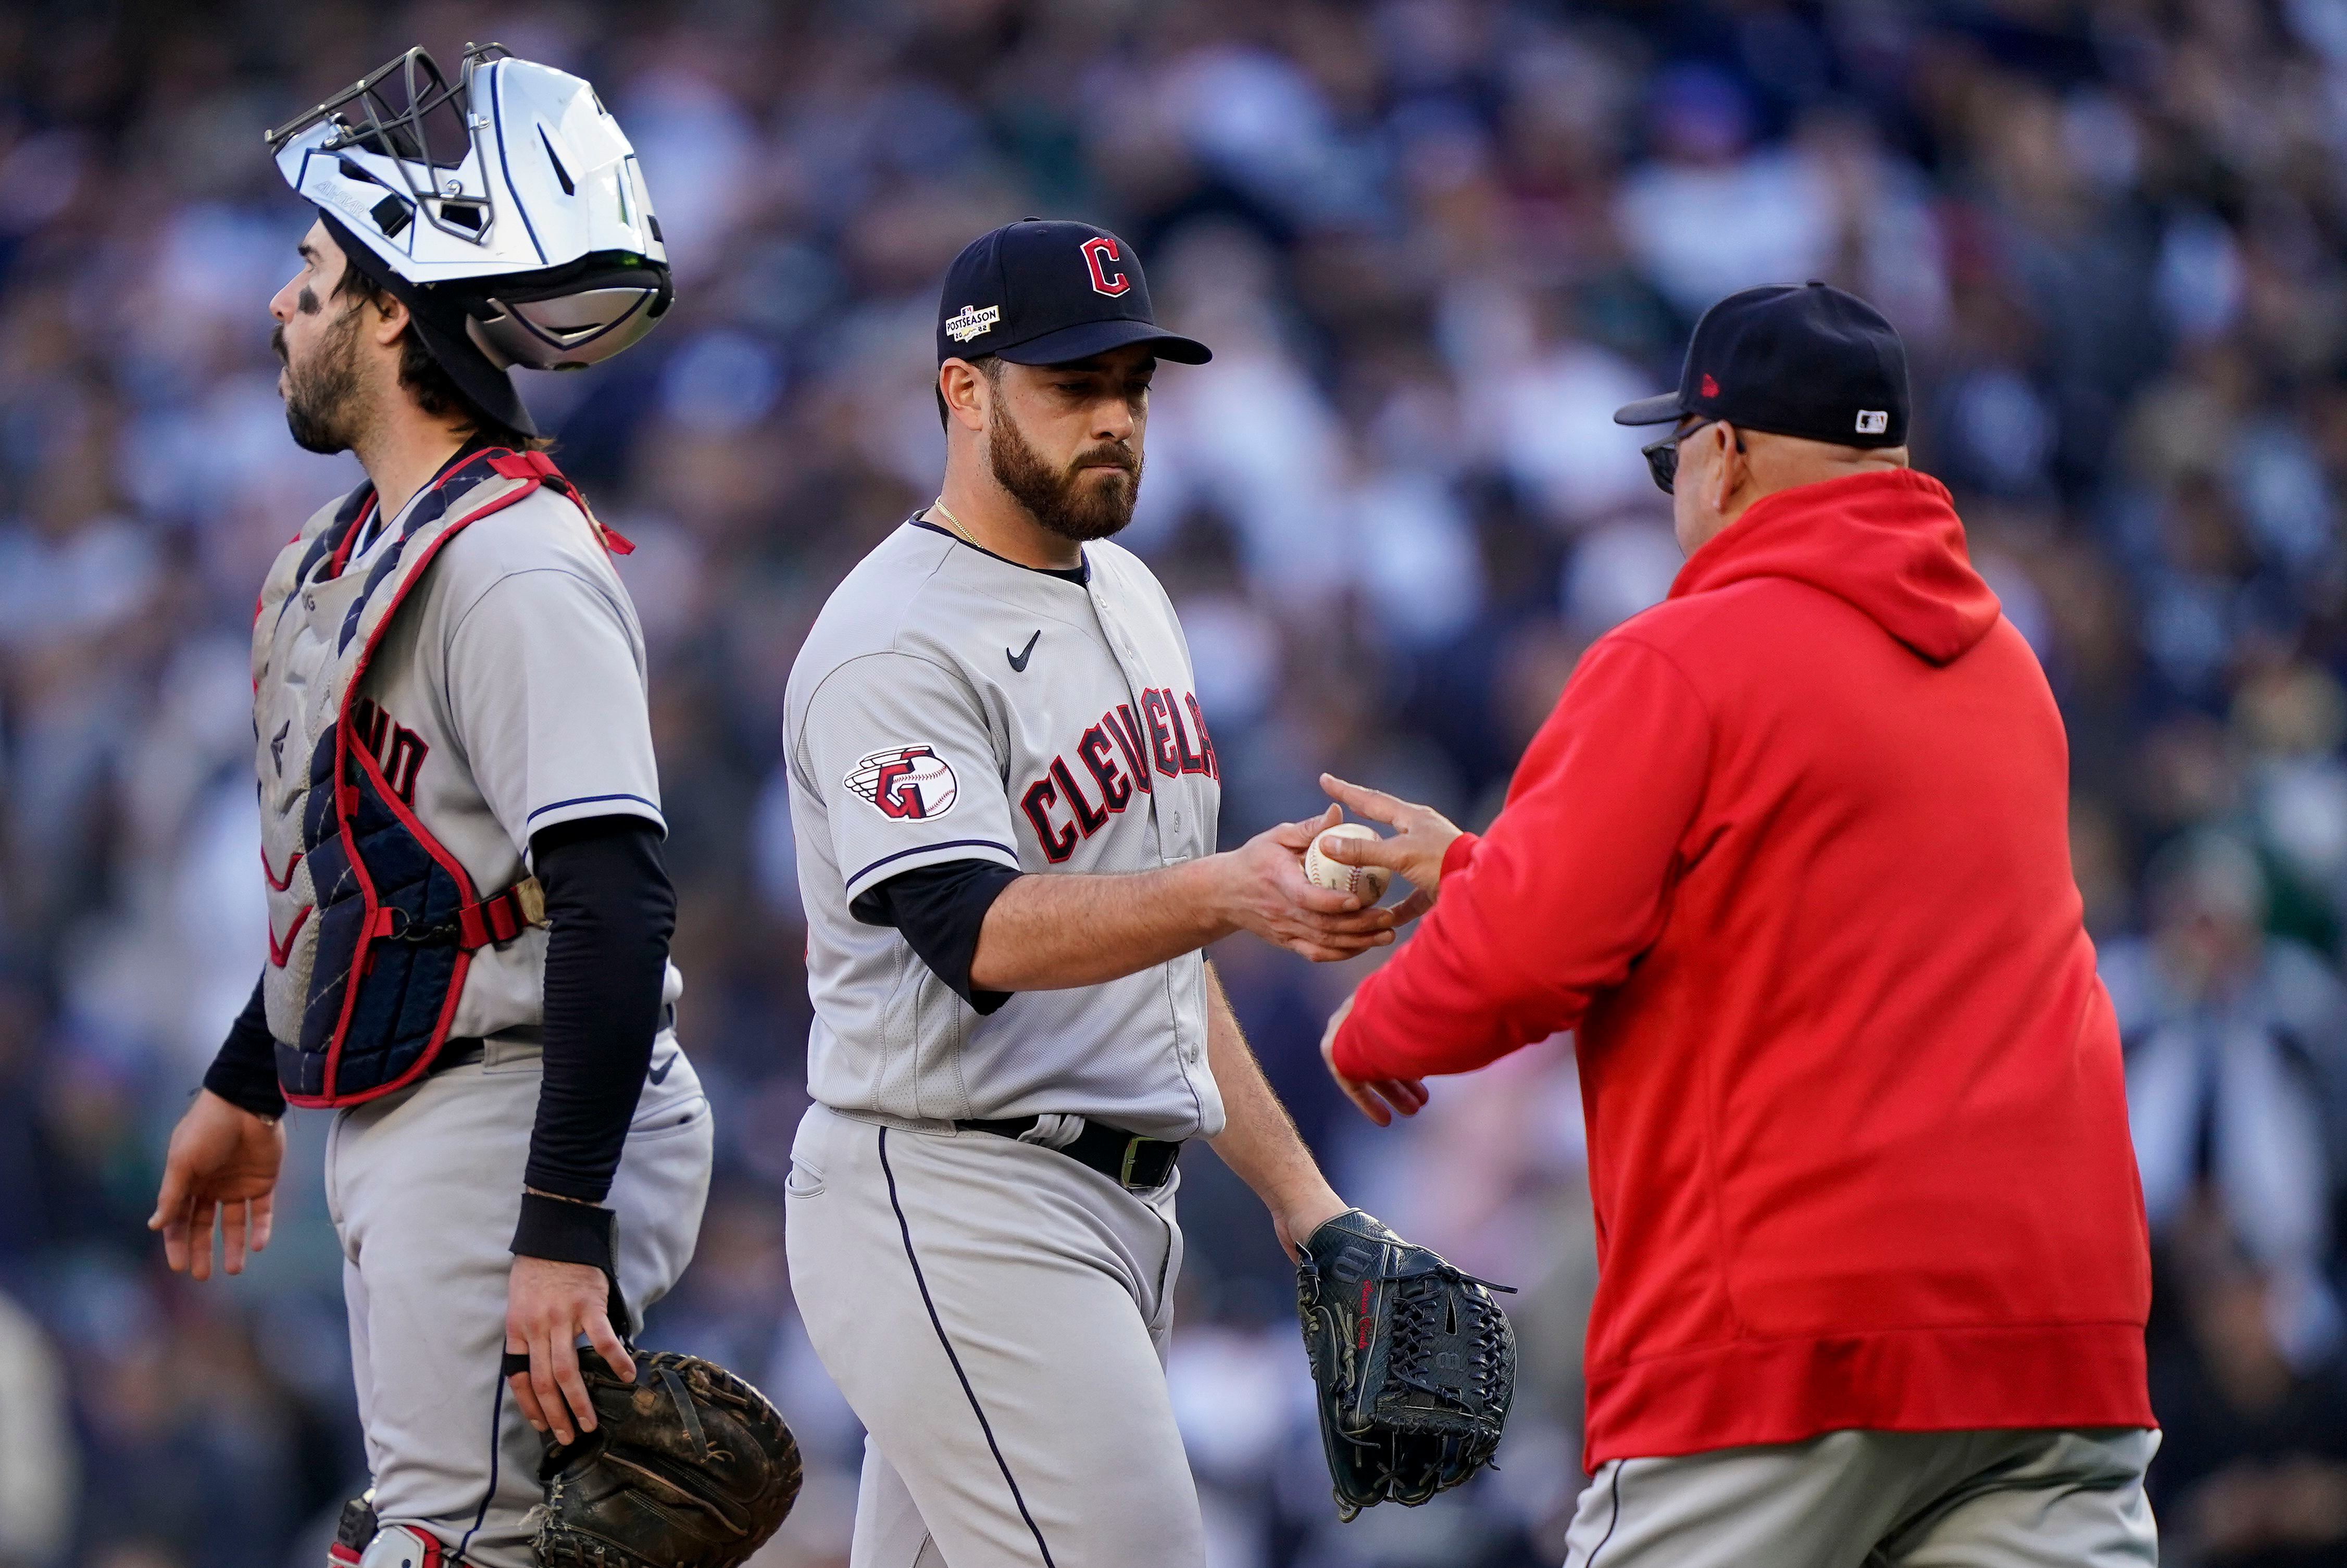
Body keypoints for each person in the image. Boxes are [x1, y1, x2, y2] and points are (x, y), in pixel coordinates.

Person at [1312, 282, 2161, 1565]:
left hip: (1790, 1344)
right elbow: (1787, 905)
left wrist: (1373, 1028)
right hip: (2052, 1346)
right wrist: (1483, 863)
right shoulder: (2007, 667)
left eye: (1670, 455)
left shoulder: (1682, 658)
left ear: (1727, 452)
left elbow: (1534, 954)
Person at [146, 47, 713, 1568]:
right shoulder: (346, 555)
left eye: (313, 272)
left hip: (518, 1107)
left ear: (397, 309)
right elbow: (376, 882)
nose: (281, 302)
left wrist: (560, 1224)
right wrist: (249, 1081)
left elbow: (614, 900)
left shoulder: (514, 562)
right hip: (426, 1100)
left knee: (448, 1549)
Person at [780, 219, 1399, 1566]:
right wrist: (1229, 890)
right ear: (962, 388)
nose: (1114, 418)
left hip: (1118, 1210)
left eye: (1132, 385)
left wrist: (1306, 1203)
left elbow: (1154, 948)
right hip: (956, 1197)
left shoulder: (1128, 590)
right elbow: (977, 931)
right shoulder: (892, 639)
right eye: (1073, 386)